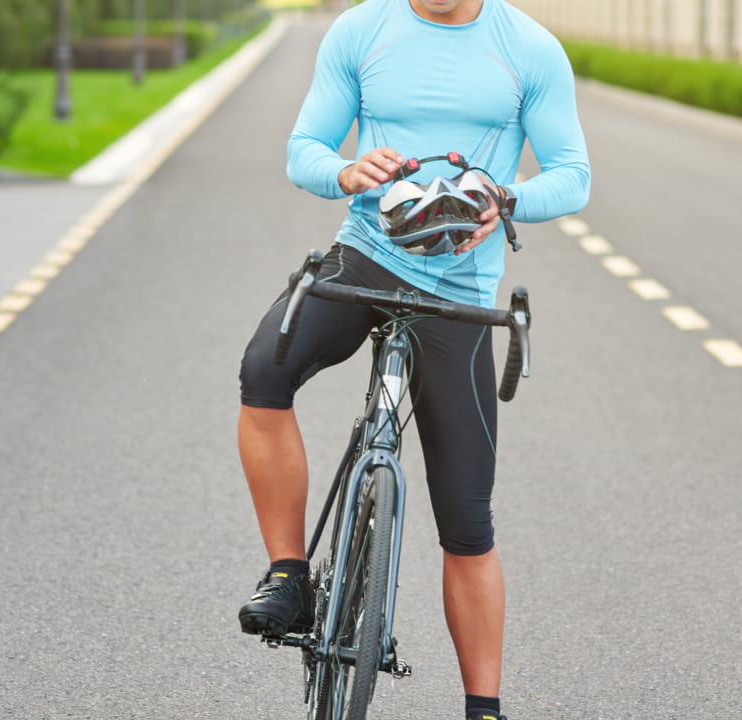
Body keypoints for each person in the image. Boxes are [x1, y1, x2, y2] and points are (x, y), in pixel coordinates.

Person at [236, 0, 589, 718]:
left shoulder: (528, 48)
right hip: (363, 258)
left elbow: (573, 175)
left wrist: (508, 194)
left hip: (459, 293)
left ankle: (483, 708)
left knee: (466, 519)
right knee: (263, 373)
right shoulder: (362, 30)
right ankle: (289, 576)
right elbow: (305, 148)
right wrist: (346, 171)